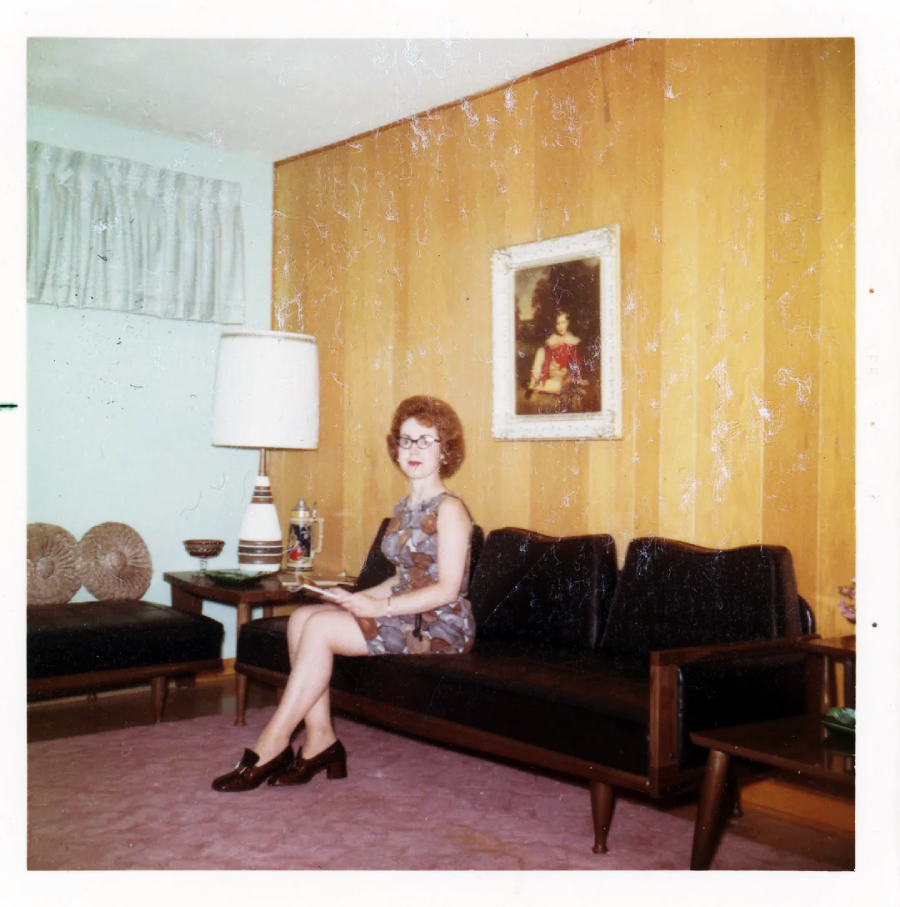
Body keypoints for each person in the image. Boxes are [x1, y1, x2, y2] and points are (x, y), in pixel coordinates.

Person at [211, 395, 475, 792]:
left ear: (445, 450)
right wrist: (352, 598)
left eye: (426, 440)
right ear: (396, 448)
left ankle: (272, 742)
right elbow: (404, 577)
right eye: (406, 440)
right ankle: (320, 741)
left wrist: (378, 607)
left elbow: (447, 588)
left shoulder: (451, 509)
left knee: (320, 630)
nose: (413, 450)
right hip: (407, 611)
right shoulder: (405, 507)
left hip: (440, 625)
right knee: (303, 618)